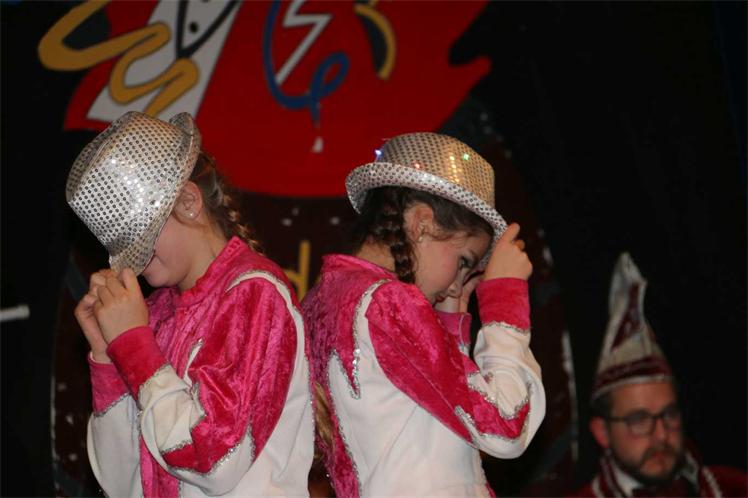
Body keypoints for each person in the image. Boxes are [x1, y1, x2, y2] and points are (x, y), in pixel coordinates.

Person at [66, 111, 313, 497]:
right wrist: (109, 355)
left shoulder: (254, 295)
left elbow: (213, 460)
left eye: (143, 239)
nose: (136, 264)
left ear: (188, 201)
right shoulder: (157, 313)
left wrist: (135, 346)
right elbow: (122, 483)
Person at [303, 132, 546, 497]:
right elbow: (506, 424)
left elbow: (418, 419)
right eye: (463, 261)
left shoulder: (326, 297)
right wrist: (504, 301)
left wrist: (448, 323)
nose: (456, 287)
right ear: (421, 223)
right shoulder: (388, 303)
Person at [574, 253, 747, 497]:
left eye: (669, 414)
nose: (662, 434)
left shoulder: (733, 488)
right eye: (638, 419)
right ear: (602, 432)